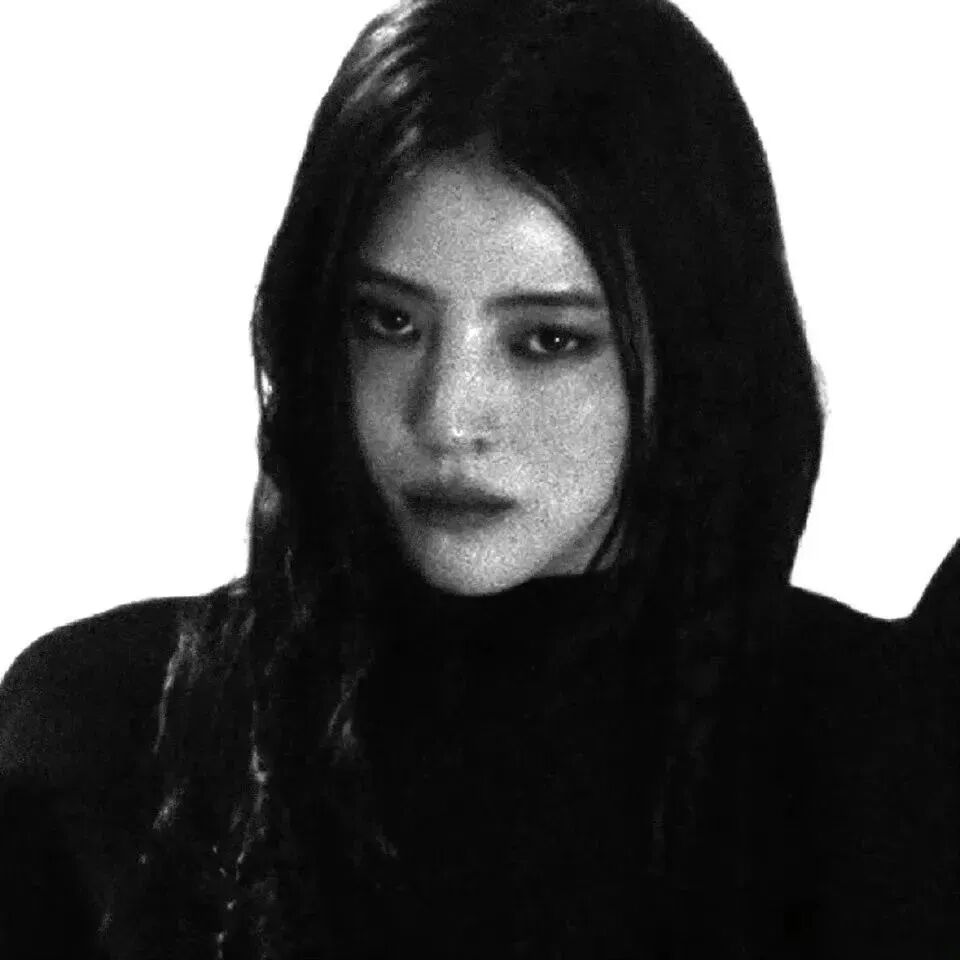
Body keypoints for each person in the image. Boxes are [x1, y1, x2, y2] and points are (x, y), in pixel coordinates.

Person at [1, 0, 957, 956]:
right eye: (389, 322)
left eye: (548, 340)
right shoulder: (106, 736)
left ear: (696, 351)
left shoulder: (880, 750)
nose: (446, 417)